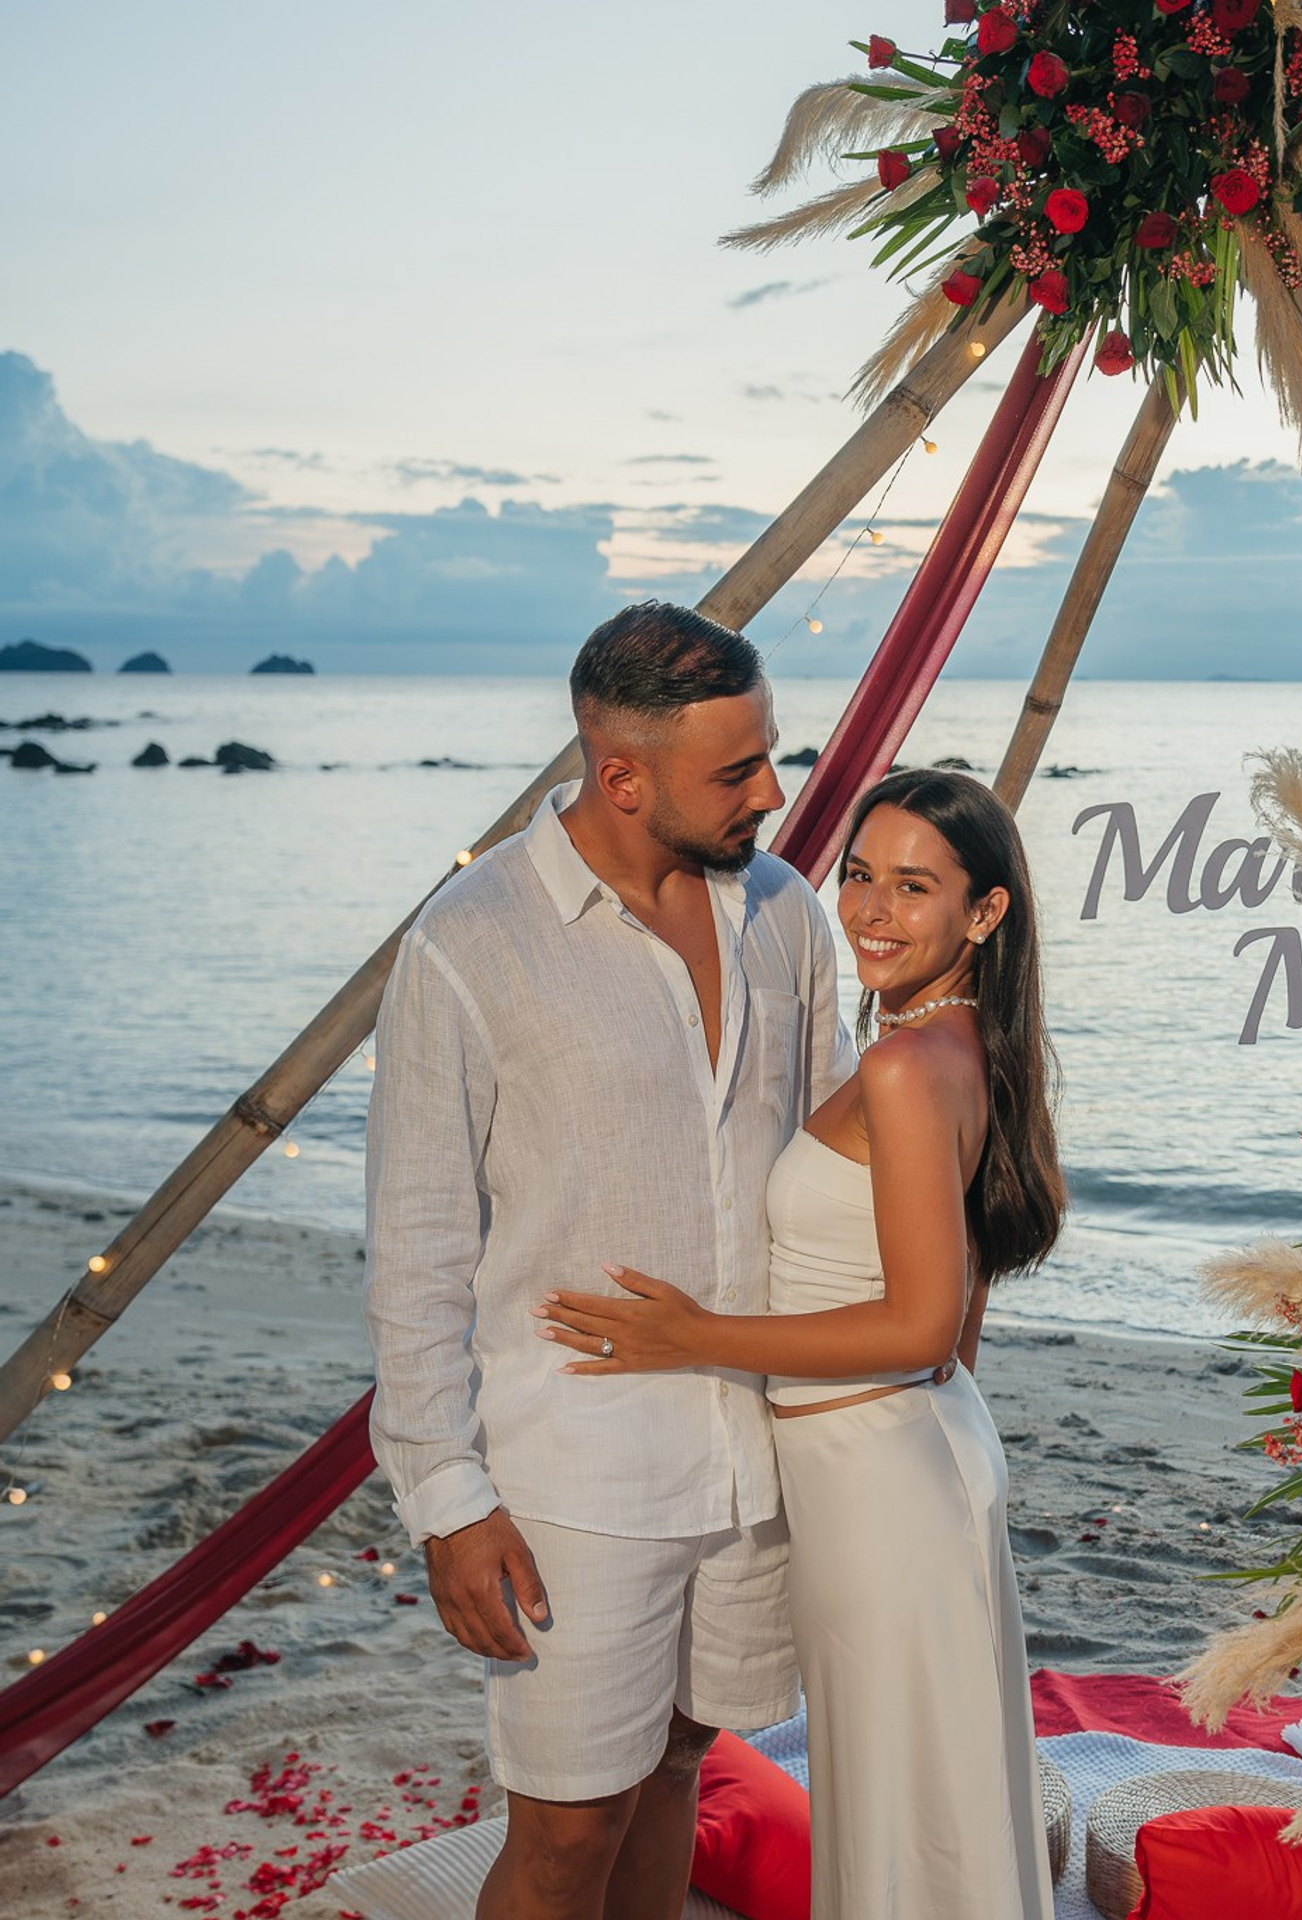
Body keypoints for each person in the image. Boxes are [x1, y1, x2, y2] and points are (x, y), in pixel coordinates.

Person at [362, 601, 853, 1920]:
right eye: (737, 771)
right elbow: (416, 1245)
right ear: (619, 775)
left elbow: (831, 1171)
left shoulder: (788, 915)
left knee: (682, 1770)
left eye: (770, 756)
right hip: (573, 1477)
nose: (774, 792)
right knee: (570, 1829)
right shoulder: (469, 945)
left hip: (754, 1457)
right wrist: (447, 1501)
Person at [535, 767, 1066, 1920]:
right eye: (861, 876)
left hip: (882, 1476)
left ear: (985, 913)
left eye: (914, 888)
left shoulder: (900, 1066)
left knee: (900, 1817)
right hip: (908, 1458)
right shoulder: (963, 1045)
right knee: (928, 1808)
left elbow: (925, 1327)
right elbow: (956, 1321)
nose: (871, 911)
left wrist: (692, 1335)